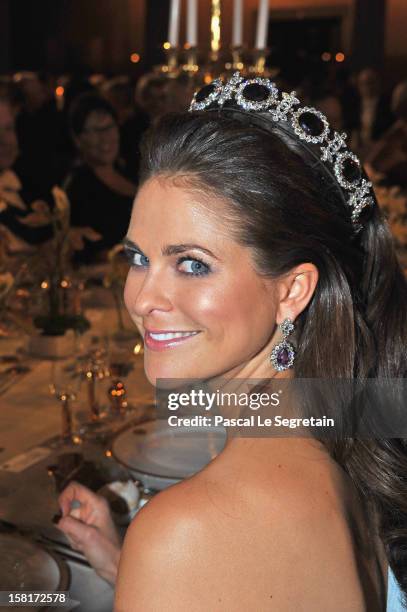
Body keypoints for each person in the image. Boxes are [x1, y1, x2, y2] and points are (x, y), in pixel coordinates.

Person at [58, 73, 407, 610]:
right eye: (137, 258)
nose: (144, 298)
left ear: (292, 289)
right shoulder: (359, 437)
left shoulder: (184, 535)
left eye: (192, 264)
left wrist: (161, 564)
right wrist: (133, 570)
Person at [64, 93, 137, 263]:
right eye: (96, 131)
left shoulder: (130, 171)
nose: (106, 138)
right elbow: (89, 253)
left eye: (109, 127)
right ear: (78, 139)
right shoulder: (78, 186)